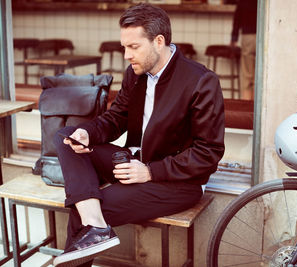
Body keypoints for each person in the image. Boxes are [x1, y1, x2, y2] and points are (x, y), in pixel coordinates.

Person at [52, 3, 225, 267]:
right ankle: (95, 225)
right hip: (134, 163)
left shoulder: (201, 81)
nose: (126, 55)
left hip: (177, 182)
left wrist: (151, 171)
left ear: (159, 41)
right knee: (67, 136)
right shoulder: (136, 73)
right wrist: (87, 133)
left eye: (133, 47)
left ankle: (92, 224)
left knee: (81, 211)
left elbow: (208, 153)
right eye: (124, 47)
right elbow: (116, 117)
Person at [230, 0, 257, 100]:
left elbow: (237, 19)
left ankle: (247, 103)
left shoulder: (243, 1)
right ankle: (256, 104)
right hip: (263, 37)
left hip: (247, 36)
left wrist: (234, 38)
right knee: (259, 75)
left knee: (247, 74)